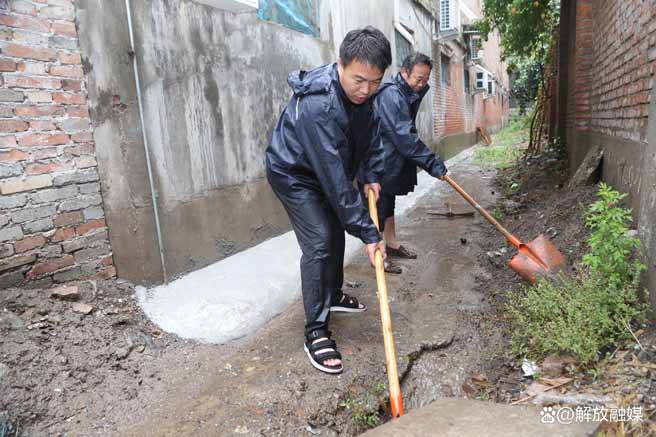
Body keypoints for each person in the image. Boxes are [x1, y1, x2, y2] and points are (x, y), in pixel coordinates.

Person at [265, 27, 391, 374]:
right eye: (359, 80)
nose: (366, 90)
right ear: (341, 65)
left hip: (326, 168)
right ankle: (316, 329)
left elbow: (368, 135)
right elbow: (335, 183)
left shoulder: (366, 95)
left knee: (334, 231)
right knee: (321, 241)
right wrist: (369, 233)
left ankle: (331, 294)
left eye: (375, 81)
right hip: (294, 172)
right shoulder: (318, 104)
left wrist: (372, 173)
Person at [370, 52, 448, 274]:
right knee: (380, 205)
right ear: (404, 73)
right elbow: (405, 137)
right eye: (418, 78)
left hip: (392, 155)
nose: (421, 84)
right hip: (380, 157)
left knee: (389, 199)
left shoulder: (406, 91)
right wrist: (432, 164)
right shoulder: (392, 96)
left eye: (425, 79)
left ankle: (391, 243)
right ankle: (379, 253)